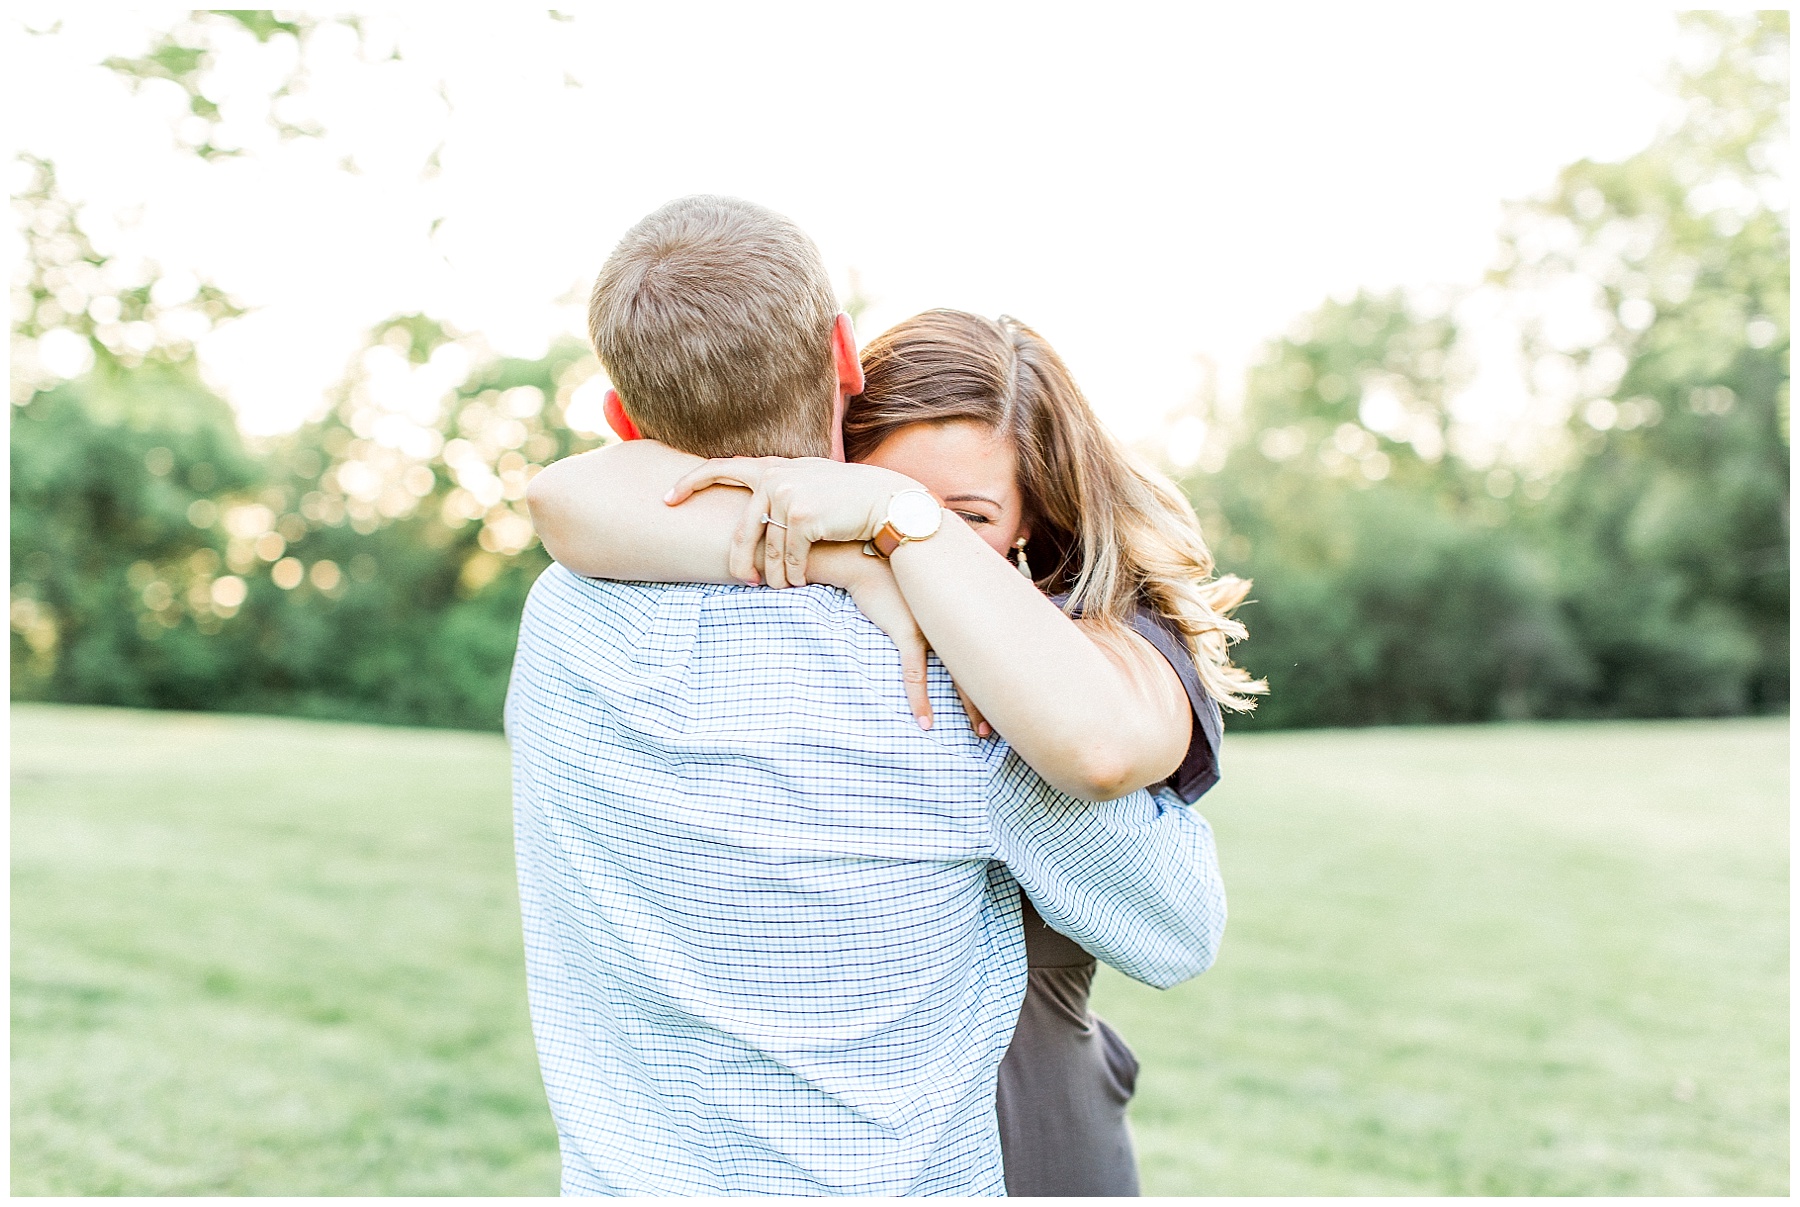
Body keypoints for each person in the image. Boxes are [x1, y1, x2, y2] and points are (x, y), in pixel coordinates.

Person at [507, 195, 1229, 1196]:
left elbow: (564, 497)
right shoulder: (947, 692)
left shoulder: (558, 625)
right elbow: (1179, 925)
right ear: (845, 364)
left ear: (622, 419)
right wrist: (870, 564)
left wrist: (876, 546)